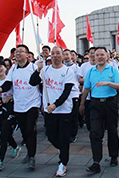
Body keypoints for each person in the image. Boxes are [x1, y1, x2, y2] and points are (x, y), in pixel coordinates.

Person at [0, 44, 41, 170]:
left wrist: (39, 70)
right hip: (19, 105)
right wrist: (0, 89)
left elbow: (37, 82)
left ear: (27, 54)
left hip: (32, 104)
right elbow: (8, 83)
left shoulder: (34, 67)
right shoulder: (13, 69)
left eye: (21, 51)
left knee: (30, 129)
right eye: (17, 52)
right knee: (24, 131)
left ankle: (32, 156)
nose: (18, 53)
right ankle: (29, 152)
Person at [30, 46, 75, 177]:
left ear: (62, 55)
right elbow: (32, 82)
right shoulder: (45, 70)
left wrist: (55, 105)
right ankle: (63, 150)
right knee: (51, 136)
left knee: (64, 137)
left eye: (58, 53)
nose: (55, 56)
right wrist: (38, 69)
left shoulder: (68, 71)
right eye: (53, 53)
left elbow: (67, 91)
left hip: (64, 110)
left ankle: (63, 163)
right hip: (49, 112)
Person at [83, 47, 119, 174]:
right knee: (95, 132)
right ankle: (96, 161)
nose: (99, 57)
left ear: (107, 56)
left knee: (112, 131)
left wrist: (107, 83)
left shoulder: (112, 69)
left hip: (110, 103)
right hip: (95, 104)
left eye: (102, 55)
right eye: (97, 55)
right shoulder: (91, 71)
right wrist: (82, 104)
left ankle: (114, 156)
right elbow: (86, 89)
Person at [0, 60, 21, 171]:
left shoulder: (11, 81)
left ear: (5, 68)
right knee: (5, 134)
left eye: (1, 66)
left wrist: (9, 98)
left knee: (3, 135)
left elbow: (18, 93)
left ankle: (0, 161)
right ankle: (15, 146)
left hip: (9, 111)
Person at [63, 49, 81, 143]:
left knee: (74, 116)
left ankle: (73, 134)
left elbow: (80, 79)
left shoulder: (76, 67)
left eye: (67, 54)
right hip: (63, 95)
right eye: (64, 55)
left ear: (71, 56)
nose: (65, 56)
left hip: (74, 94)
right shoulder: (60, 67)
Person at [78, 47, 96, 131]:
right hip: (87, 96)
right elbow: (80, 79)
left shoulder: (101, 65)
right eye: (91, 53)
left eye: (94, 53)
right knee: (88, 118)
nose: (92, 55)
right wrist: (89, 80)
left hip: (98, 96)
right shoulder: (84, 66)